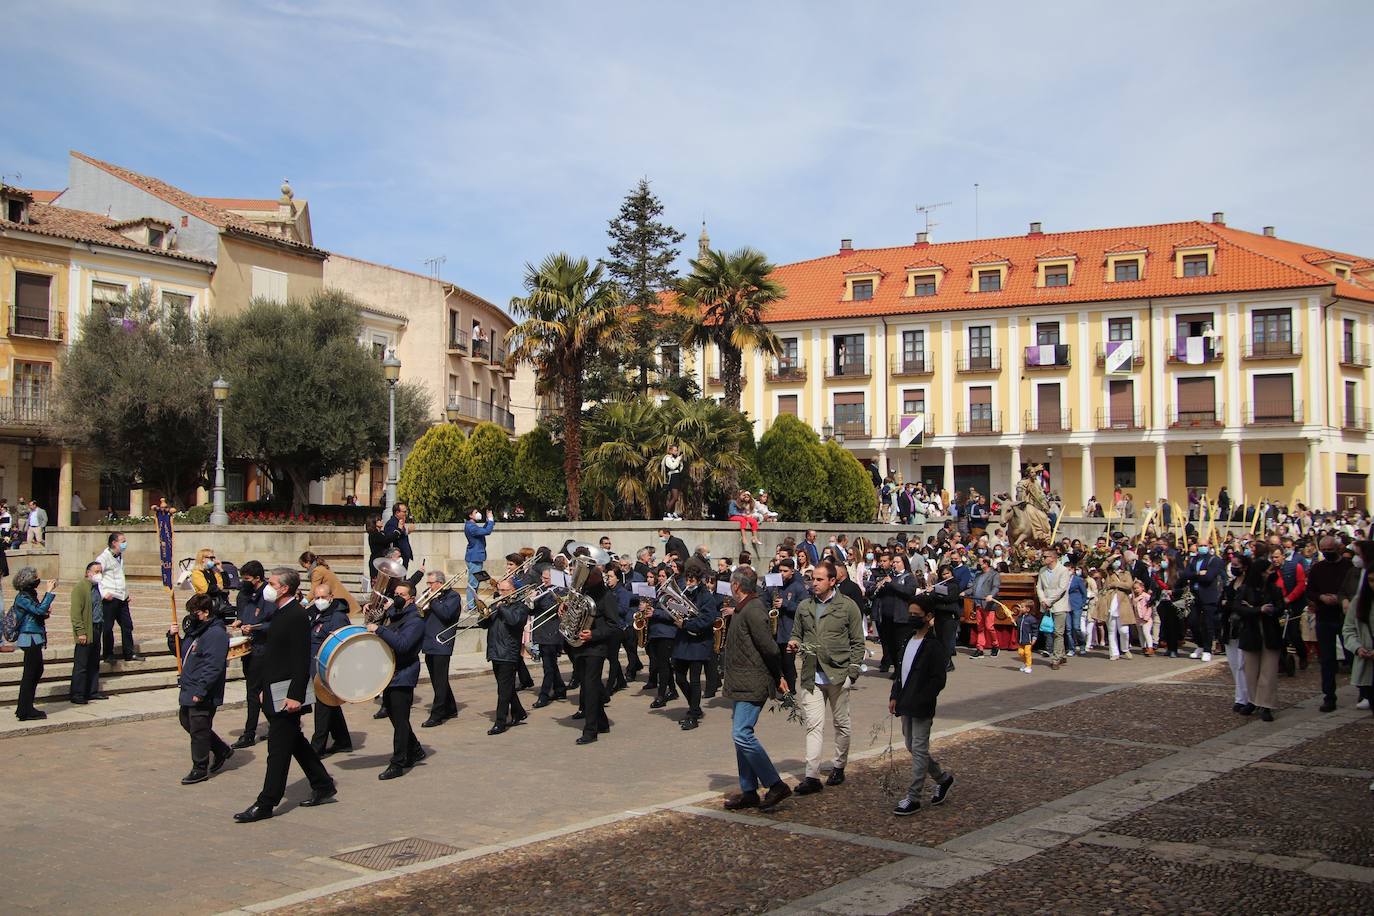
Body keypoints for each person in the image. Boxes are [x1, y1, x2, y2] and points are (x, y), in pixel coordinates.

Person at [234, 567, 336, 823]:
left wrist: (295, 696)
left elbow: (300, 659)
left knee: (277, 750)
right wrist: (262, 691)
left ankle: (266, 802)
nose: (268, 587)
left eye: (272, 583)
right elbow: (274, 655)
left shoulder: (296, 615)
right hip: (273, 690)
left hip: (287, 693)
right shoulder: (280, 612)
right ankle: (323, 784)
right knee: (295, 742)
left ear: (284, 588)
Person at [789, 559, 865, 795]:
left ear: (833, 581)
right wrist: (794, 643)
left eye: (820, 579)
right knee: (813, 725)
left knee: (841, 723)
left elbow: (858, 642)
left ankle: (839, 765)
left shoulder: (847, 606)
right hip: (812, 675)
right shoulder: (804, 606)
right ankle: (811, 776)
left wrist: (852, 673)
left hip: (838, 675)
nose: (815, 583)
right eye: (813, 578)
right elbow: (796, 634)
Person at [721, 565, 792, 812]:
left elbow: (770, 648)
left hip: (753, 681)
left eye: (731, 583)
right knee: (740, 736)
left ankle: (775, 784)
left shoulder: (753, 610)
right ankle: (749, 790)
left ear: (737, 586)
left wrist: (779, 675)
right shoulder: (743, 608)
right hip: (742, 682)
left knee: (742, 734)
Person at [889, 594, 955, 816]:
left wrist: (923, 698)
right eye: (910, 614)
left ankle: (914, 796)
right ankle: (942, 778)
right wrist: (895, 695)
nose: (912, 618)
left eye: (916, 615)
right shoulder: (908, 640)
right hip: (905, 702)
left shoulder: (934, 646)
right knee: (911, 746)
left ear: (928, 617)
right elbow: (900, 672)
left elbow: (938, 680)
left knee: (918, 748)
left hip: (921, 705)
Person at [169, 594, 232, 784]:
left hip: (202, 690)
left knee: (198, 728)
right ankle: (221, 749)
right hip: (189, 686)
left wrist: (201, 690)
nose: (191, 616)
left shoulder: (215, 634)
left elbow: (213, 666)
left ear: (206, 613)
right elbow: (182, 652)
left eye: (195, 612)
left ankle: (200, 767)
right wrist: (173, 638)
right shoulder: (196, 631)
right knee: (186, 721)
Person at [368, 581, 425, 779]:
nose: (397, 597)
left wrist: (379, 629)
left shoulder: (416, 620)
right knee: (394, 715)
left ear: (411, 598)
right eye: (396, 593)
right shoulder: (397, 614)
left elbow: (403, 645)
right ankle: (415, 749)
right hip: (390, 672)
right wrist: (375, 612)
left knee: (400, 720)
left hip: (404, 673)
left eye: (402, 594)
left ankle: (398, 763)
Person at [572, 568, 619, 745]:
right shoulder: (584, 593)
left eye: (588, 577)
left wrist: (594, 634)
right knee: (587, 684)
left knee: (590, 687)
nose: (585, 579)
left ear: (597, 578)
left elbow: (614, 625)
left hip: (596, 647)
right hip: (580, 645)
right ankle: (602, 722)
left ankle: (590, 730)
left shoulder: (606, 596)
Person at [670, 564, 719, 731]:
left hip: (698, 643)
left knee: (695, 680)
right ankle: (695, 707)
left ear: (699, 580)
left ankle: (693, 715)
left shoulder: (706, 597)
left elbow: (707, 619)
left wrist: (685, 623)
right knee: (680, 678)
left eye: (691, 579)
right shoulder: (683, 593)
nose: (688, 581)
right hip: (683, 641)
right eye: (687, 578)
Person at [1307, 536, 1353, 712]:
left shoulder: (1348, 567)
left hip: (1344, 617)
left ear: (1337, 548)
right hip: (1324, 617)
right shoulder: (1318, 568)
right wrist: (1320, 597)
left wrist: (1340, 598)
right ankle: (1329, 696)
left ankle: (1365, 691)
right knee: (1326, 659)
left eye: (1330, 550)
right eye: (1324, 550)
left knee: (1352, 655)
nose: (1327, 553)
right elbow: (1310, 590)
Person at [1236, 555, 1285, 722]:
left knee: (1269, 671)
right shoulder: (1246, 589)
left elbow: (1280, 607)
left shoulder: (1274, 589)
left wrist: (1271, 610)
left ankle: (1266, 704)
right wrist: (1258, 610)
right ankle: (1252, 699)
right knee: (1251, 670)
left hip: (1270, 632)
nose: (1271, 573)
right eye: (1268, 570)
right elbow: (1238, 608)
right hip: (1251, 633)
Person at [307, 581, 353, 755]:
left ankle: (316, 747)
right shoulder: (314, 613)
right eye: (316, 597)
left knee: (322, 707)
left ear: (331, 597)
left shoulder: (337, 617)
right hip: (313, 665)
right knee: (330, 705)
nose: (319, 601)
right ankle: (342, 740)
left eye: (323, 597)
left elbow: (341, 644)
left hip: (326, 669)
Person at [230, 561, 271, 749]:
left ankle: (249, 733)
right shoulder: (246, 595)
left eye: (247, 579)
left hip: (263, 649)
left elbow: (274, 622)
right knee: (258, 691)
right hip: (249, 647)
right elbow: (245, 613)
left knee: (253, 692)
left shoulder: (267, 595)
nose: (243, 582)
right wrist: (240, 621)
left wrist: (255, 626)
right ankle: (276, 724)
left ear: (257, 578)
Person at [481, 577, 529, 734]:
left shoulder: (520, 607)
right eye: (499, 590)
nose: (500, 593)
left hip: (509, 652)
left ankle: (500, 722)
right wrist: (484, 614)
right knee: (506, 687)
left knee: (503, 690)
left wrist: (501, 607)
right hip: (495, 650)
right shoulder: (497, 605)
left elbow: (514, 621)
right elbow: (483, 625)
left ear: (513, 591)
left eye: (504, 590)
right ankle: (519, 712)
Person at [12, 566, 56, 720]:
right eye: (36, 577)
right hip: (28, 637)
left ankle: (25, 707)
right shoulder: (23, 597)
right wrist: (49, 592)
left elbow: (39, 612)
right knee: (30, 673)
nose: (38, 580)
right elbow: (38, 611)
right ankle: (24, 710)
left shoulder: (30, 594)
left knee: (37, 670)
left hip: (35, 636)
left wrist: (45, 611)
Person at [419, 569, 461, 727]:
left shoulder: (453, 596)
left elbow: (446, 614)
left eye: (431, 583)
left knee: (440, 679)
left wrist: (434, 601)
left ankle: (437, 714)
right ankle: (450, 707)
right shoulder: (430, 594)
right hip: (428, 641)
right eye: (428, 583)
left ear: (440, 583)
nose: (428, 587)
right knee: (437, 679)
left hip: (442, 641)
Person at [96, 531, 142, 663]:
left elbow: (120, 577)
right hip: (110, 598)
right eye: (122, 541)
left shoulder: (120, 556)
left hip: (122, 597)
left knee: (127, 625)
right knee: (108, 627)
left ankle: (129, 652)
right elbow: (98, 577)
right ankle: (108, 654)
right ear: (114, 543)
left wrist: (126, 593)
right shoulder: (103, 558)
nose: (124, 544)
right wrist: (104, 593)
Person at [1181, 540, 1225, 662]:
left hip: (1208, 596)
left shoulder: (1214, 560)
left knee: (1208, 624)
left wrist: (1195, 576)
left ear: (1209, 546)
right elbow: (1185, 575)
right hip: (1194, 595)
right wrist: (1198, 573)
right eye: (1200, 545)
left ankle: (1207, 649)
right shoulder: (1193, 560)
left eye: (1205, 546)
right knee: (1192, 621)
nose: (1202, 548)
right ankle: (1200, 645)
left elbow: (1209, 577)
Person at [69, 561, 105, 703]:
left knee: (94, 661)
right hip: (86, 630)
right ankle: (77, 693)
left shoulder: (97, 587)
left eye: (100, 571)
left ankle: (92, 690)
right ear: (88, 573)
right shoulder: (80, 588)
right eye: (96, 571)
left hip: (97, 627)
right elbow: (76, 613)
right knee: (81, 664)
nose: (99, 574)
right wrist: (80, 632)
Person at [1342, 554, 1373, 714]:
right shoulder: (1359, 601)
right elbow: (1348, 628)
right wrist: (1357, 647)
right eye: (1371, 580)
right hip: (1367, 658)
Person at [300, 552, 361, 618]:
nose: (305, 568)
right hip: (341, 601)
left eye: (304, 565)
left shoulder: (317, 571)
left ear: (308, 562)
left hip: (339, 603)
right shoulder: (321, 568)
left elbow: (313, 592)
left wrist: (302, 604)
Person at [967, 556, 1001, 660]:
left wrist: (991, 595)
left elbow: (996, 587)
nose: (979, 564)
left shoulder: (994, 574)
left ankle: (995, 645)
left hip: (988, 605)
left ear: (986, 563)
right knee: (980, 627)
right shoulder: (978, 575)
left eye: (980, 563)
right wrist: (965, 592)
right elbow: (973, 588)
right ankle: (980, 648)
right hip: (978, 604)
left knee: (989, 626)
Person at [464, 507, 495, 610]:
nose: (478, 514)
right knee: (473, 583)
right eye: (475, 512)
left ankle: (473, 604)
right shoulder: (471, 527)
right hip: (474, 558)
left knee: (475, 582)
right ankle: (471, 605)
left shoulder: (472, 526)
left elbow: (483, 530)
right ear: (470, 515)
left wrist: (487, 520)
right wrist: (490, 520)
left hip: (475, 557)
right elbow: (487, 531)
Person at [191, 548, 232, 617]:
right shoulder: (197, 573)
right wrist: (218, 586)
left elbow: (226, 584)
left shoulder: (213, 571)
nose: (213, 560)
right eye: (211, 558)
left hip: (218, 600)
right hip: (205, 601)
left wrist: (221, 570)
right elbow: (205, 589)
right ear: (202, 559)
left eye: (214, 557)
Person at [383, 502, 414, 569]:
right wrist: (405, 531)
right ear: (397, 512)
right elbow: (392, 537)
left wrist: (407, 531)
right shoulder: (391, 523)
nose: (405, 514)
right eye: (404, 512)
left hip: (403, 555)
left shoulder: (399, 522)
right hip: (397, 556)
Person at [662, 443, 685, 521]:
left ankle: (671, 513)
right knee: (674, 497)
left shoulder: (675, 458)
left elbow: (680, 468)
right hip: (672, 477)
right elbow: (672, 466)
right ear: (670, 450)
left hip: (677, 476)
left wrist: (680, 461)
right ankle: (666, 513)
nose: (676, 451)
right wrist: (678, 459)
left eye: (677, 450)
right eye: (675, 450)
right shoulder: (668, 458)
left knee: (675, 497)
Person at [1014, 603, 1038, 673]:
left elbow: (1035, 629)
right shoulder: (1019, 618)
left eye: (1022, 607)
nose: (1020, 608)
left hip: (1028, 640)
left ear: (1028, 609)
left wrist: (1034, 638)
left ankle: (1028, 666)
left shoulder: (1032, 619)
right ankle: (1024, 663)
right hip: (1020, 639)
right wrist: (1013, 623)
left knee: (1027, 653)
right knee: (1020, 653)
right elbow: (1017, 626)